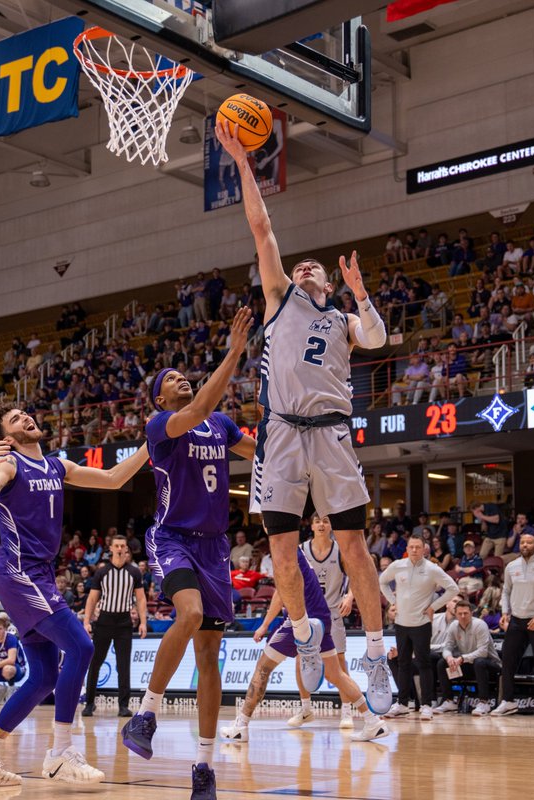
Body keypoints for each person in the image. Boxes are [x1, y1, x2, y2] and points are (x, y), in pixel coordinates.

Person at [216, 118, 394, 716]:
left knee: (354, 546)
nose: (306, 269)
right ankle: (307, 636)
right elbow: (261, 226)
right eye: (303, 267)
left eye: (315, 268)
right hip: (283, 433)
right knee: (283, 551)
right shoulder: (279, 298)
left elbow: (378, 337)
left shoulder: (344, 318)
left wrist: (361, 292)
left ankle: (373, 656)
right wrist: (244, 161)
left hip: (334, 432)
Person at [0, 406, 152, 788]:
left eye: (26, 414)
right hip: (19, 572)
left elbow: (112, 478)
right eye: (15, 420)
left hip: (40, 574)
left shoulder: (57, 466)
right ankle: (61, 751)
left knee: (44, 677)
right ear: (6, 438)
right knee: (81, 646)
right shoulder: (10, 464)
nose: (26, 418)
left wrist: (150, 444)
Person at [120, 308, 257, 799]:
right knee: (190, 612)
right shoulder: (161, 426)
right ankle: (146, 712)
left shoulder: (220, 423)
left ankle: (204, 765)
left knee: (210, 660)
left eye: (184, 376)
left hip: (215, 548)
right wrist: (235, 352)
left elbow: (257, 450)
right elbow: (197, 410)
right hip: (173, 537)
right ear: (160, 397)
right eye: (172, 378)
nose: (182, 380)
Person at [221, 549, 387, 744]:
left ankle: (241, 726)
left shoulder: (281, 548)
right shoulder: (295, 548)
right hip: (322, 616)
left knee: (263, 668)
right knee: (336, 674)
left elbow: (281, 594)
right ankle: (372, 721)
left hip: (301, 620)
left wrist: (265, 625)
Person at [379, 535, 459, 720]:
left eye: (418, 547)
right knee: (403, 664)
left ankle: (426, 705)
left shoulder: (432, 569)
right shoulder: (398, 565)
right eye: (411, 547)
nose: (414, 550)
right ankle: (402, 704)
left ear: (424, 549)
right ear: (407, 548)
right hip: (401, 623)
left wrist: (433, 607)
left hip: (421, 624)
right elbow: (382, 581)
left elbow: (453, 588)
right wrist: (393, 602)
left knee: (423, 664)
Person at [289, 513, 356, 728]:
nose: (321, 524)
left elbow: (356, 574)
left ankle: (347, 712)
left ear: (330, 526)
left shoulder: (339, 549)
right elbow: (289, 576)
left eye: (325, 521)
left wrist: (349, 595)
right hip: (307, 614)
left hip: (332, 612)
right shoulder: (301, 549)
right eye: (317, 521)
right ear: (311, 525)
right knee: (301, 659)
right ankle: (306, 709)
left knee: (339, 662)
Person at [492, 534, 534, 716]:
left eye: (529, 542)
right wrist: (505, 612)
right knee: (507, 660)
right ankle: (508, 701)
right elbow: (506, 591)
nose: (525, 545)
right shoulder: (511, 566)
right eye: (522, 542)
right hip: (516, 620)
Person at [83, 533, 147, 718]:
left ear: (127, 549)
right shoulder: (102, 572)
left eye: (122, 546)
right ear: (110, 549)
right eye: (116, 546)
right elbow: (93, 598)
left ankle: (123, 706)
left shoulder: (134, 572)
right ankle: (89, 703)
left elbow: (141, 599)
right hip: (104, 621)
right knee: (95, 663)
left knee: (123, 665)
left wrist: (143, 622)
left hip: (124, 622)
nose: (119, 549)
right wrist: (87, 621)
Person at [437, 600, 501, 716]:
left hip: (491, 666)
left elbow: (483, 652)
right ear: (455, 614)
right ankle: (449, 701)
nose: (462, 616)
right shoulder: (453, 626)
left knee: (479, 662)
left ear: (471, 613)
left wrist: (462, 658)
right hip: (470, 666)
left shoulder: (480, 625)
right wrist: (449, 657)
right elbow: (447, 648)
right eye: (460, 613)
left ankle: (484, 702)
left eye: (465, 613)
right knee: (442, 663)